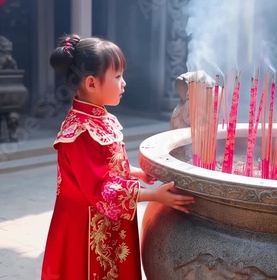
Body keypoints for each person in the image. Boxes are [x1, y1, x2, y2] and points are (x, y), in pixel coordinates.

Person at [41, 34, 195, 280]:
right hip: (86, 228)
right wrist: (154, 196)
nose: (124, 83)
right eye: (117, 76)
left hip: (108, 218)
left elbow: (110, 168)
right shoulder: (80, 133)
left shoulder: (101, 118)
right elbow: (101, 190)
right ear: (92, 83)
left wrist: (138, 173)